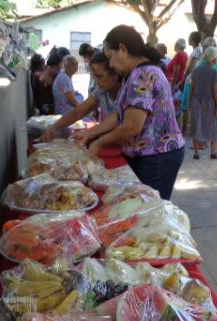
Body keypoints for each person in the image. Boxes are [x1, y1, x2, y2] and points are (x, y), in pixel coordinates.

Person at [74, 25, 185, 200]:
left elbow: (131, 126)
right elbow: (119, 116)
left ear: (123, 49)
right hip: (151, 154)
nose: (110, 64)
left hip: (157, 156)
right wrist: (90, 134)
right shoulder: (133, 74)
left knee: (151, 210)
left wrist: (100, 142)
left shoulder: (142, 74)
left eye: (110, 57)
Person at [41, 52, 121, 141]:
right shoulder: (100, 91)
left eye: (100, 76)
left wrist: (89, 133)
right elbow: (78, 112)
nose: (96, 81)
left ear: (115, 74)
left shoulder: (125, 93)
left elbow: (115, 119)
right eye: (95, 76)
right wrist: (54, 127)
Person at [190, 47, 217, 160]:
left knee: (196, 125)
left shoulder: (196, 70)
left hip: (196, 100)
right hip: (210, 102)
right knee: (212, 125)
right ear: (214, 59)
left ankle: (196, 152)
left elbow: (192, 88)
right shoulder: (215, 72)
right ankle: (214, 152)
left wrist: (190, 102)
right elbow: (216, 92)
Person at [32, 48, 69, 115]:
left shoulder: (44, 73)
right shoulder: (41, 76)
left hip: (48, 108)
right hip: (47, 110)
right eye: (61, 65)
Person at [180, 31, 204, 133]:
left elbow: (189, 68)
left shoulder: (195, 51)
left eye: (189, 38)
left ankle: (184, 130)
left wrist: (183, 80)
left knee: (186, 106)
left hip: (190, 80)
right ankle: (194, 129)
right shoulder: (200, 50)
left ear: (193, 40)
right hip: (197, 80)